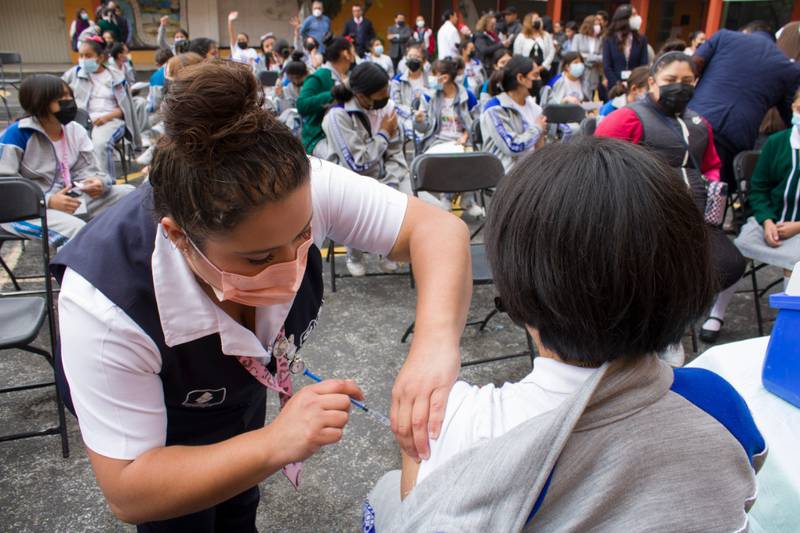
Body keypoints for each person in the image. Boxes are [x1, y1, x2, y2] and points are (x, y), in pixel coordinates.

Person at [51, 58, 471, 531]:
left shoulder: (290, 186)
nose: (293, 268)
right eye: (258, 259)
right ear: (178, 236)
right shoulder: (105, 307)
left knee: (238, 503)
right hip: (163, 430)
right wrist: (276, 444)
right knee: (179, 520)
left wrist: (433, 347)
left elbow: (438, 230)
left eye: (305, 236)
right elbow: (130, 488)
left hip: (237, 391)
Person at [363, 136, 765, 533]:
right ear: (690, 278)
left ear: (516, 291)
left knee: (383, 494)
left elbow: (422, 512)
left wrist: (412, 449)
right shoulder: (719, 401)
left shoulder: (460, 421)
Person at [596, 52, 747, 364]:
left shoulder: (699, 123)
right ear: (652, 82)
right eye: (670, 81)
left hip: (696, 218)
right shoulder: (627, 118)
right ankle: (652, 337)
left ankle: (673, 325)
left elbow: (712, 165)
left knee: (729, 263)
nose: (679, 87)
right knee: (658, 276)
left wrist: (712, 185)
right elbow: (598, 164)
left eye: (687, 81)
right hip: (644, 219)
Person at [700, 89, 800, 342]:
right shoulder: (777, 143)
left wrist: (797, 226)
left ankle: (786, 328)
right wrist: (767, 220)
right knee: (737, 252)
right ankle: (717, 312)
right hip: (768, 220)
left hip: (798, 228)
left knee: (795, 264)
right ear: (795, 108)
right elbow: (759, 188)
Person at [0, 75, 133, 246]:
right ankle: (73, 272)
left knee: (131, 195)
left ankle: (125, 259)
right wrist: (47, 201)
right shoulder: (17, 135)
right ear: (40, 102)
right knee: (75, 230)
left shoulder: (75, 131)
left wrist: (99, 182)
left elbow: (90, 170)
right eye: (61, 98)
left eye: (70, 95)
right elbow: (5, 186)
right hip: (25, 210)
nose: (69, 101)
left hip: (69, 200)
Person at [689, 22, 800, 190]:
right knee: (715, 195)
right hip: (735, 138)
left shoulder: (724, 37)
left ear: (745, 31)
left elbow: (692, 65)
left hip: (694, 121)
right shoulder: (787, 68)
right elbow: (791, 115)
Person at [322, 62, 409, 275]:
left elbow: (396, 150)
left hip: (383, 174)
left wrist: (392, 177)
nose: (384, 100)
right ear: (360, 95)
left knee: (405, 199)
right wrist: (383, 135)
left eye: (386, 94)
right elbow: (357, 163)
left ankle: (386, 249)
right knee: (360, 202)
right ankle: (355, 253)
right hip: (351, 180)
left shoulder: (386, 110)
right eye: (378, 96)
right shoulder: (338, 116)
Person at [62, 36, 141, 180]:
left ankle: (105, 184)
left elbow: (124, 109)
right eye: (81, 55)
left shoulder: (115, 77)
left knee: (100, 144)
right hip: (82, 120)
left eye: (88, 56)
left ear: (100, 57)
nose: (83, 59)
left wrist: (106, 117)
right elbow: (58, 89)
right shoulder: (75, 74)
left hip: (110, 120)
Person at [481, 56, 546, 171]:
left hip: (530, 174)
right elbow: (512, 146)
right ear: (521, 78)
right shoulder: (495, 109)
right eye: (535, 75)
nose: (539, 79)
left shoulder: (535, 108)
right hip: (505, 178)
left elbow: (539, 150)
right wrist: (537, 129)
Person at [297, 37, 356, 157]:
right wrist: (333, 94)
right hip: (319, 137)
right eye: (353, 49)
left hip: (344, 132)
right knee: (342, 163)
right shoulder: (321, 75)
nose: (355, 53)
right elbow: (301, 105)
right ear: (346, 53)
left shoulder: (348, 76)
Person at [416, 58, 479, 153]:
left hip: (463, 143)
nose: (430, 79)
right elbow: (424, 130)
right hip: (436, 143)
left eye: (433, 75)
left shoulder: (467, 96)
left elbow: (476, 123)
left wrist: (465, 136)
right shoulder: (428, 97)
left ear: (445, 78)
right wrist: (419, 121)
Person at [602, 4, 649, 89]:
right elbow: (607, 66)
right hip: (615, 87)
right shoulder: (609, 39)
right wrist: (617, 84)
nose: (638, 17)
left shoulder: (641, 39)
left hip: (635, 86)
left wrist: (635, 83)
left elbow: (644, 64)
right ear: (625, 18)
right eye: (634, 15)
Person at [514, 13, 556, 82]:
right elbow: (517, 54)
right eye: (536, 19)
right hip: (527, 71)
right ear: (529, 22)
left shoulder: (546, 35)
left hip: (544, 70)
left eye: (539, 18)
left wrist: (542, 66)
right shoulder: (521, 36)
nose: (539, 20)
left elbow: (551, 52)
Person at [572, 16, 602, 99]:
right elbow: (574, 54)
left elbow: (602, 58)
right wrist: (593, 58)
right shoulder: (578, 37)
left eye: (599, 25)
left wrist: (587, 57)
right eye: (596, 24)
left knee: (590, 98)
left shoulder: (600, 40)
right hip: (580, 72)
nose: (598, 27)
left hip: (594, 73)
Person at [147, 48, 173, 113]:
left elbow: (155, 104)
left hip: (165, 112)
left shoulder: (156, 76)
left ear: (157, 64)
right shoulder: (182, 69)